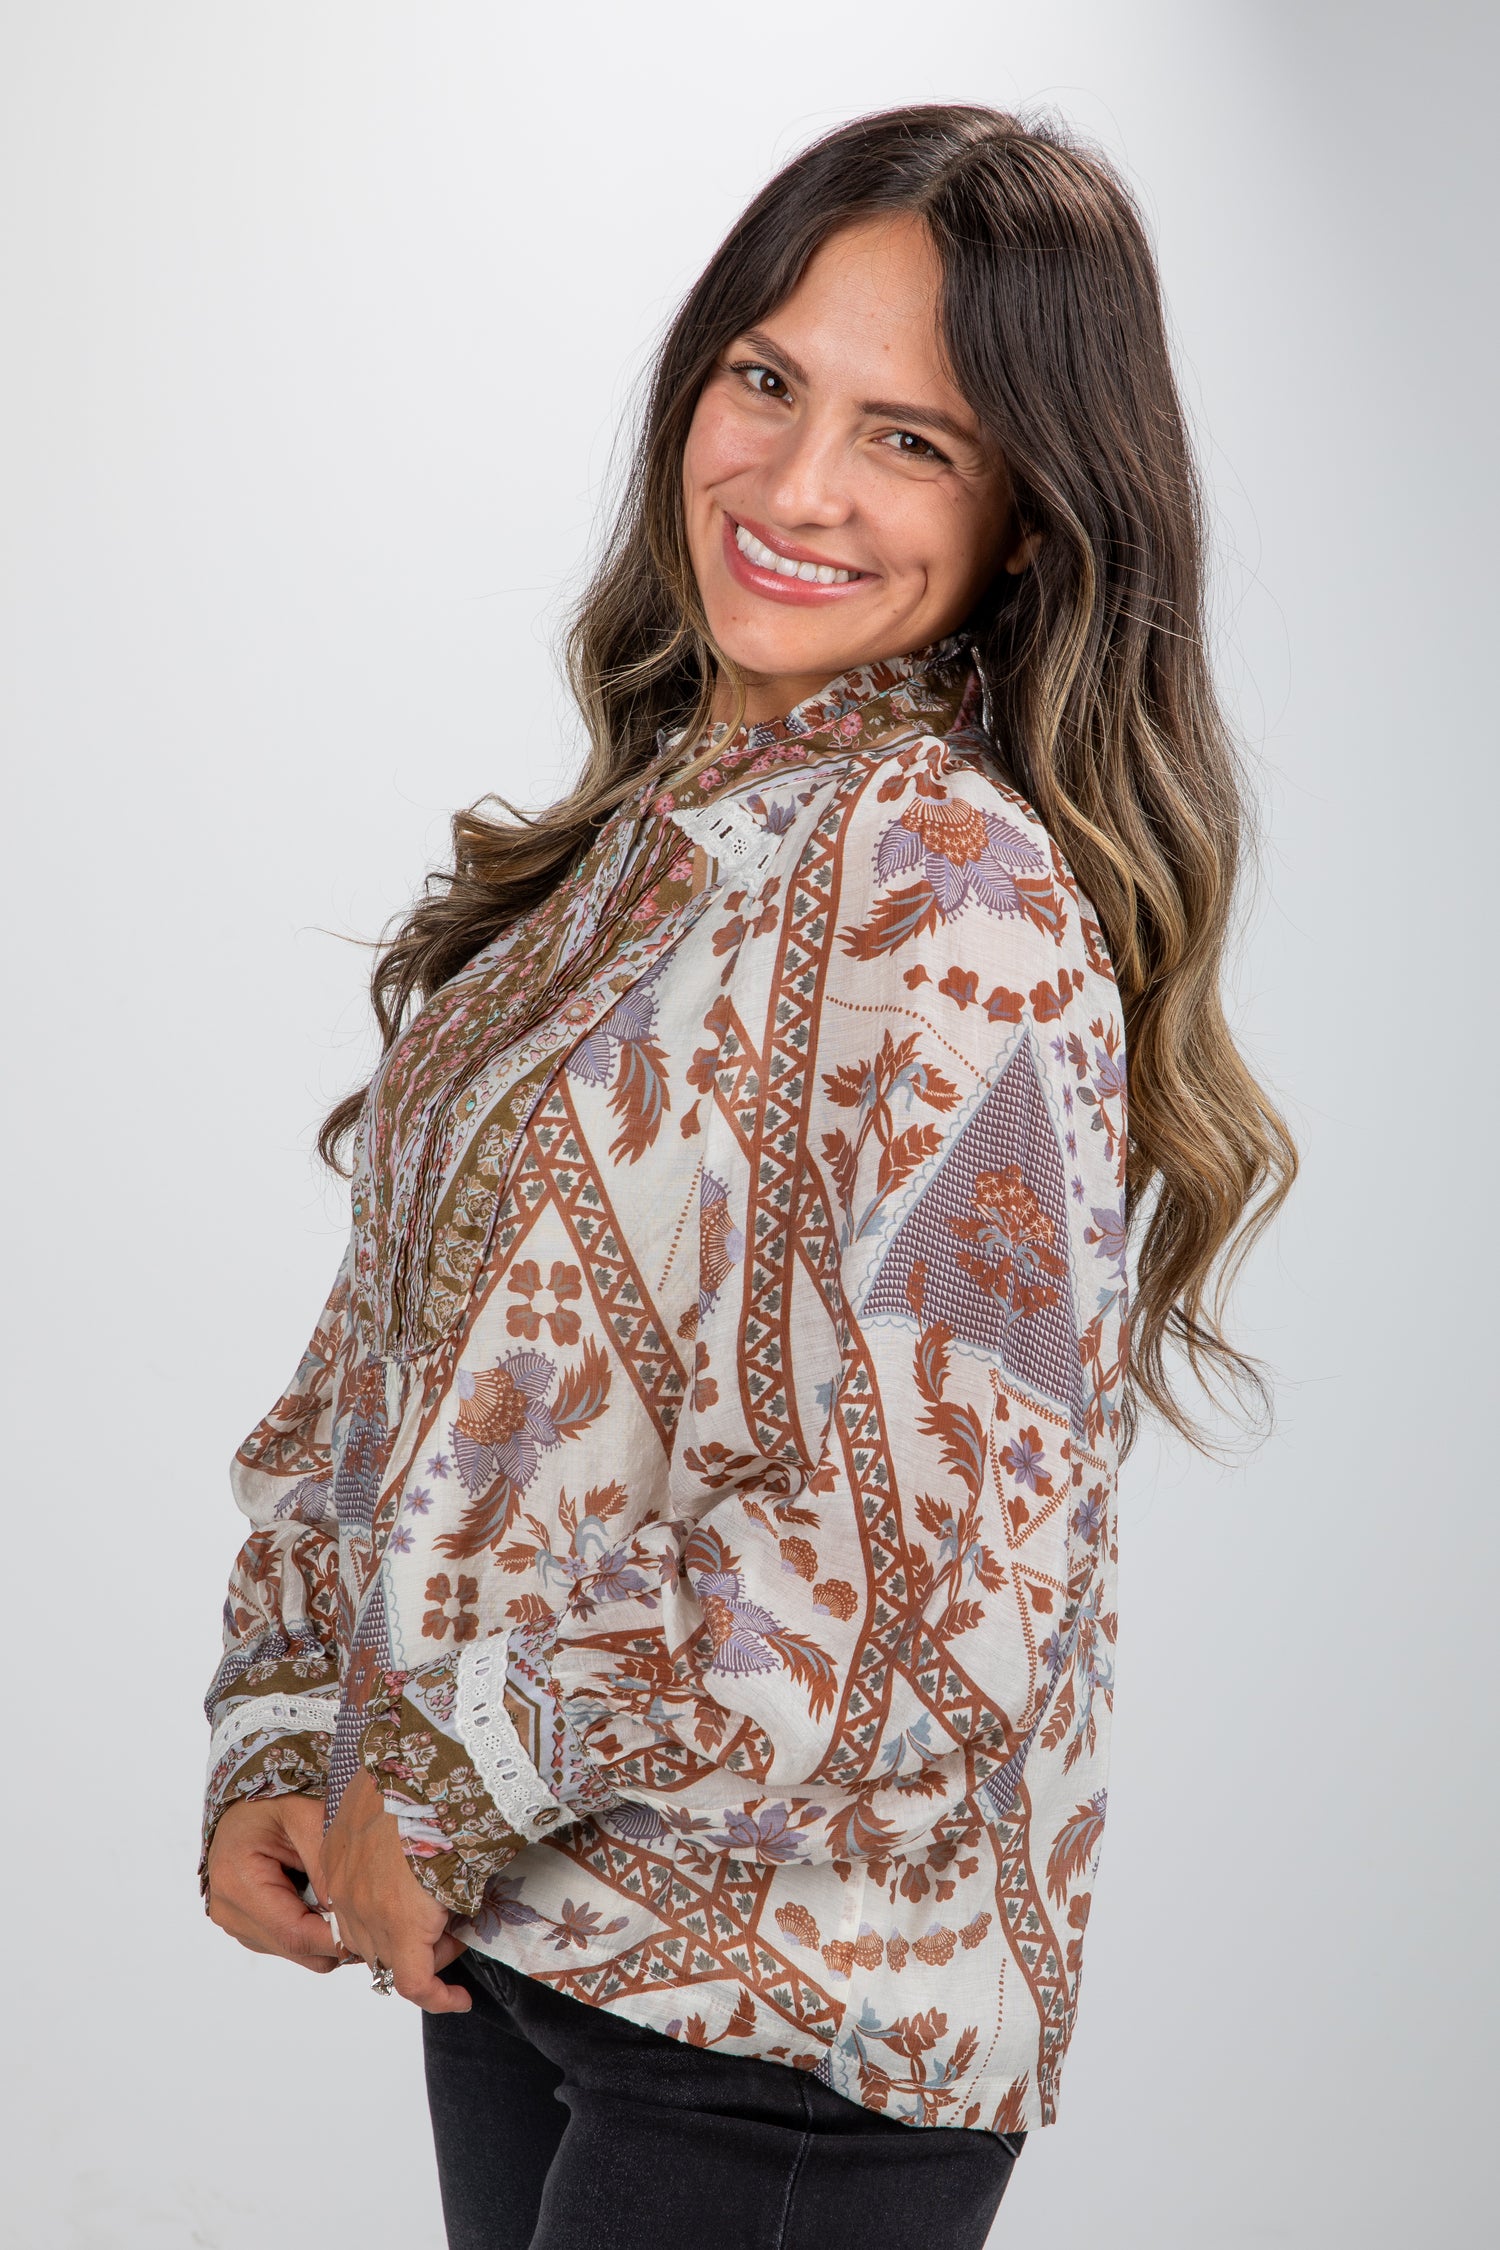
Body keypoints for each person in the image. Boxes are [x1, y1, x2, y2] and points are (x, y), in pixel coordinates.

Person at [200, 104, 1295, 2250]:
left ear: (1035, 514)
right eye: (769, 381)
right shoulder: (643, 851)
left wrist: (444, 1765)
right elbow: (403, 1364)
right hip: (540, 1938)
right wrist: (283, 1717)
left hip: (800, 2018)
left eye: (914, 439)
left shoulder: (956, 893)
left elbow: (932, 1577)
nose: (797, 490)